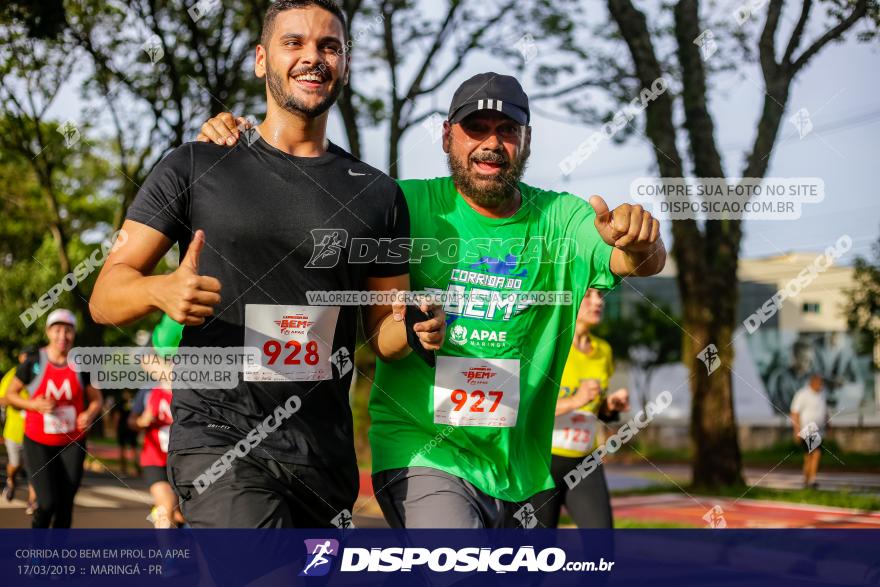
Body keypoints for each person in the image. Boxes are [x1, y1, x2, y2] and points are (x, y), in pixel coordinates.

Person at [200, 70, 666, 527]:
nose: (491, 144)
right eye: (475, 129)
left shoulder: (562, 218)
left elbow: (634, 260)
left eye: (507, 130)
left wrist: (640, 242)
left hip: (522, 469)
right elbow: (309, 202)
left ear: (526, 141)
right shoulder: (401, 204)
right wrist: (254, 150)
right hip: (422, 451)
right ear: (447, 137)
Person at [89, 0, 444, 528]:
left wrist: (411, 325)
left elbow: (381, 334)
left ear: (345, 63)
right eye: (294, 42)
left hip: (323, 457)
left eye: (330, 45)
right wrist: (159, 291)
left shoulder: (379, 195)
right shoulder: (195, 164)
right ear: (261, 60)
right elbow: (103, 297)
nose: (313, 56)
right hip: (219, 439)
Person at [528, 288, 629, 528]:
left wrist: (609, 407)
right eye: (588, 295)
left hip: (585, 461)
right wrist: (576, 399)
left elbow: (594, 410)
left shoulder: (603, 351)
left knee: (601, 546)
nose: (598, 302)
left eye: (600, 295)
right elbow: (528, 407)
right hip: (543, 462)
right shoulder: (547, 346)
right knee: (536, 553)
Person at [4, 309, 103, 528]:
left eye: (68, 331)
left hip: (72, 443)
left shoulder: (81, 365)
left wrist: (89, 414)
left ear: (73, 334)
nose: (62, 336)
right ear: (48, 332)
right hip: (38, 441)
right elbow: (9, 395)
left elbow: (97, 399)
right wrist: (33, 404)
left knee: (65, 506)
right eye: (57, 330)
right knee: (47, 503)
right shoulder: (33, 362)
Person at [129, 315, 186, 528]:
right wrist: (142, 420)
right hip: (155, 459)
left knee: (181, 514)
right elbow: (132, 421)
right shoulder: (148, 390)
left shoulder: (189, 390)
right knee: (166, 508)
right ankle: (169, 559)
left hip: (184, 459)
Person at [0, 346, 38, 512]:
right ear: (21, 357)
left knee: (34, 467)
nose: (29, 360)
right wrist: (20, 403)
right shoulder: (12, 375)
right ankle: (11, 480)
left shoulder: (39, 374)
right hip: (14, 430)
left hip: (34, 430)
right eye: (27, 356)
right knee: (15, 463)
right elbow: (3, 399)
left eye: (32, 356)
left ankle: (32, 501)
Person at [790, 373, 829, 489]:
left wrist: (828, 423)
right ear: (813, 383)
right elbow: (794, 412)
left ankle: (806, 480)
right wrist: (796, 430)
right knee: (816, 454)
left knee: (809, 456)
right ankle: (812, 480)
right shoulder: (803, 394)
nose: (820, 386)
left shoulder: (821, 394)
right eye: (819, 383)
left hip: (819, 429)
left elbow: (824, 410)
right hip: (808, 428)